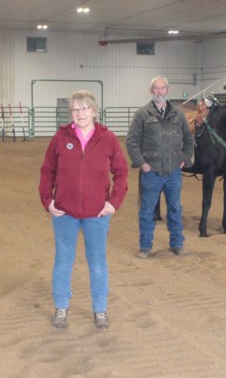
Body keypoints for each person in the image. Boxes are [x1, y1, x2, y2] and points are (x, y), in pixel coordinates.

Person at [39, 90, 128, 330]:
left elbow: (121, 172)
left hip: (96, 214)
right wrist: (48, 201)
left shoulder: (108, 139)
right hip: (64, 213)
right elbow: (47, 171)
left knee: (97, 262)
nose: (80, 113)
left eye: (85, 108)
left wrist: (113, 203)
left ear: (94, 111)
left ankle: (100, 310)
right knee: (63, 261)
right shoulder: (60, 137)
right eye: (75, 109)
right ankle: (61, 307)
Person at [126, 75, 193, 257]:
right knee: (147, 210)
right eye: (156, 88)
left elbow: (188, 139)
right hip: (152, 172)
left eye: (162, 88)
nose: (159, 91)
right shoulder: (142, 114)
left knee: (175, 209)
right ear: (151, 91)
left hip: (173, 172)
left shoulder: (178, 114)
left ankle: (177, 244)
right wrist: (143, 164)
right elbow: (132, 141)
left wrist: (185, 159)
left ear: (167, 90)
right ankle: (145, 247)